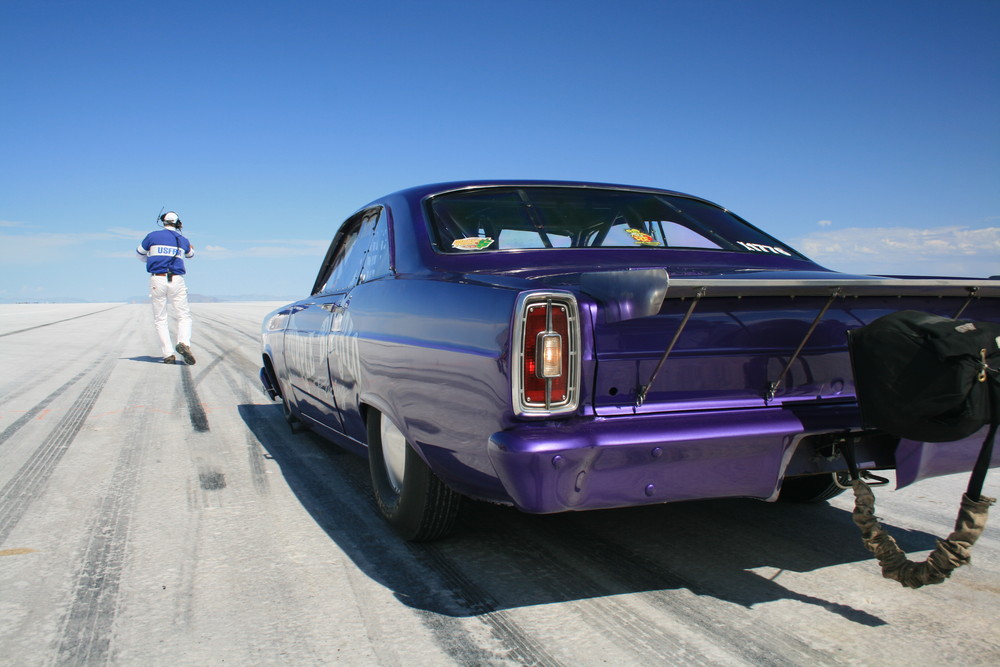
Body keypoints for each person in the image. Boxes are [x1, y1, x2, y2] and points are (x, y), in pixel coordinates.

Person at [136, 210, 197, 364]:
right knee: (183, 316)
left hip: (158, 279)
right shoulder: (182, 239)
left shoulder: (152, 236)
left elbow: (139, 254)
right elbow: (191, 254)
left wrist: (152, 259)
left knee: (160, 318)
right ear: (177, 223)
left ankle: (168, 354)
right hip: (176, 280)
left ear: (163, 221)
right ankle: (184, 343)